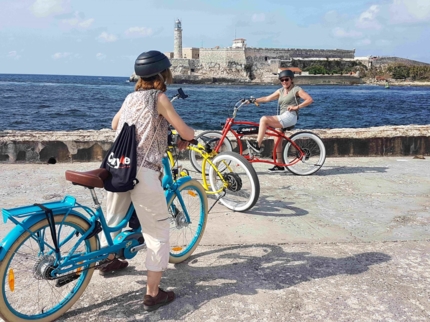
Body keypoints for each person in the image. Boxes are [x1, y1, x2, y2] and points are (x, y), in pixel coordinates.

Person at [98, 50, 194, 311]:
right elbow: (184, 131)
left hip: (119, 167)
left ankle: (108, 259)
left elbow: (115, 123)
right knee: (158, 233)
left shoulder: (131, 96)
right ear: (164, 74)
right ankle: (153, 294)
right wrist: (189, 135)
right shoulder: (159, 97)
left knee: (112, 221)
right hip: (143, 171)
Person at [247, 70, 314, 172]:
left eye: (286, 79)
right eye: (282, 80)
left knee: (264, 119)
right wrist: (254, 100)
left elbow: (309, 99)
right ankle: (279, 164)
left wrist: (297, 107)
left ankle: (257, 145)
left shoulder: (296, 89)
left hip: (290, 116)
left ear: (291, 80)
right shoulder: (280, 91)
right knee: (277, 140)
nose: (284, 82)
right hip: (283, 116)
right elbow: (267, 98)